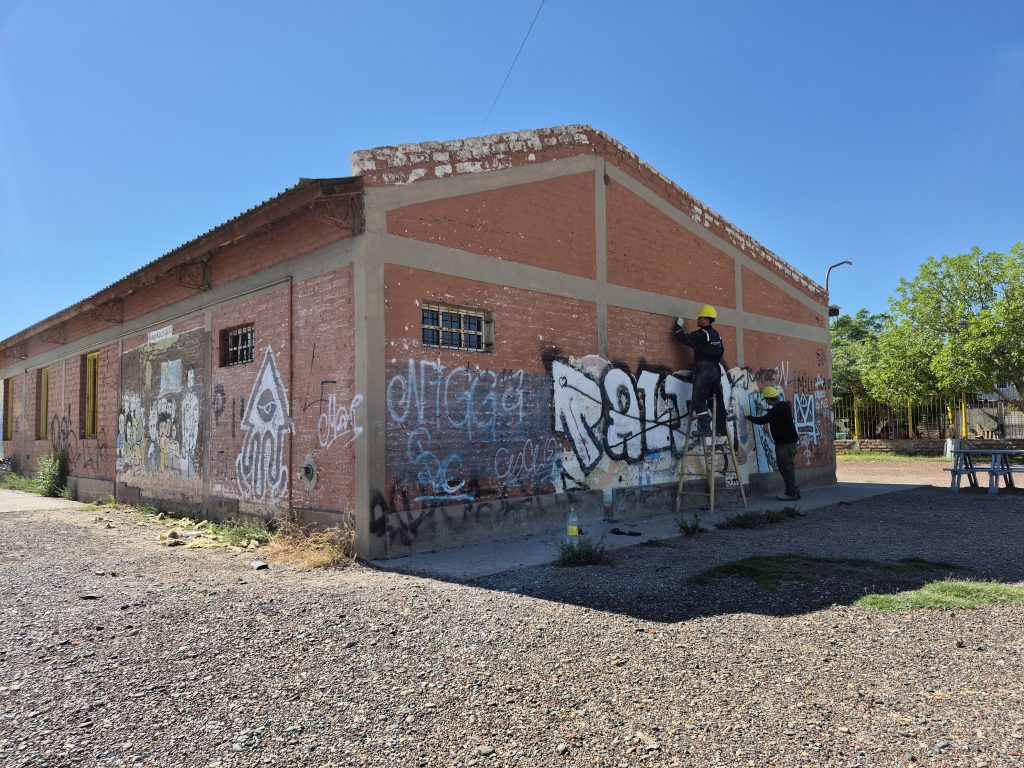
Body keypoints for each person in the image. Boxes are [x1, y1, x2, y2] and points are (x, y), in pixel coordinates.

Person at [673, 305, 725, 435]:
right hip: (716, 370)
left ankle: (705, 428)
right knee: (714, 399)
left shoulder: (702, 334)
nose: (698, 320)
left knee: (698, 398)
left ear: (707, 320)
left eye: (700, 317)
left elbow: (682, 338)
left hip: (705, 370)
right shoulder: (717, 335)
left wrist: (678, 327)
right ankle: (720, 428)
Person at [745, 385, 801, 501]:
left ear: (770, 399)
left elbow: (762, 420)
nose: (766, 401)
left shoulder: (777, 409)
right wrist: (766, 409)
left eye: (766, 399)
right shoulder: (783, 405)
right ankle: (793, 491)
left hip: (784, 444)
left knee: (786, 468)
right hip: (788, 443)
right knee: (787, 467)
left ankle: (792, 493)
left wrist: (748, 417)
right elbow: (774, 413)